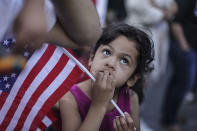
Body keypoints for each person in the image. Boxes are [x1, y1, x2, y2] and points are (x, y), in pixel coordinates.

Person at [52, 23, 154, 131]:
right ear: (92, 58)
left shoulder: (131, 98)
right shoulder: (70, 98)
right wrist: (99, 105)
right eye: (107, 52)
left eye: (124, 60)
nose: (111, 63)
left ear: (132, 79)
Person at [161, 0, 197, 130]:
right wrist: (185, 47)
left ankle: (170, 116)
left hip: (190, 47)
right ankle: (169, 120)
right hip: (184, 48)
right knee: (184, 85)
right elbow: (175, 24)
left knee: (178, 83)